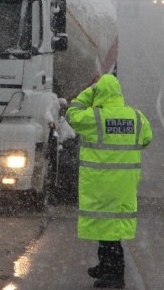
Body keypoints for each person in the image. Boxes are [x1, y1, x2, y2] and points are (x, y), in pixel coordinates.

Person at [65, 73, 153, 288]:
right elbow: (146, 139)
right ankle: (106, 267)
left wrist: (88, 92)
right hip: (124, 185)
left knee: (108, 231)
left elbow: (71, 113)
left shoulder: (94, 118)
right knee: (110, 230)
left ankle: (114, 277)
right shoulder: (136, 116)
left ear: (99, 93)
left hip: (100, 184)